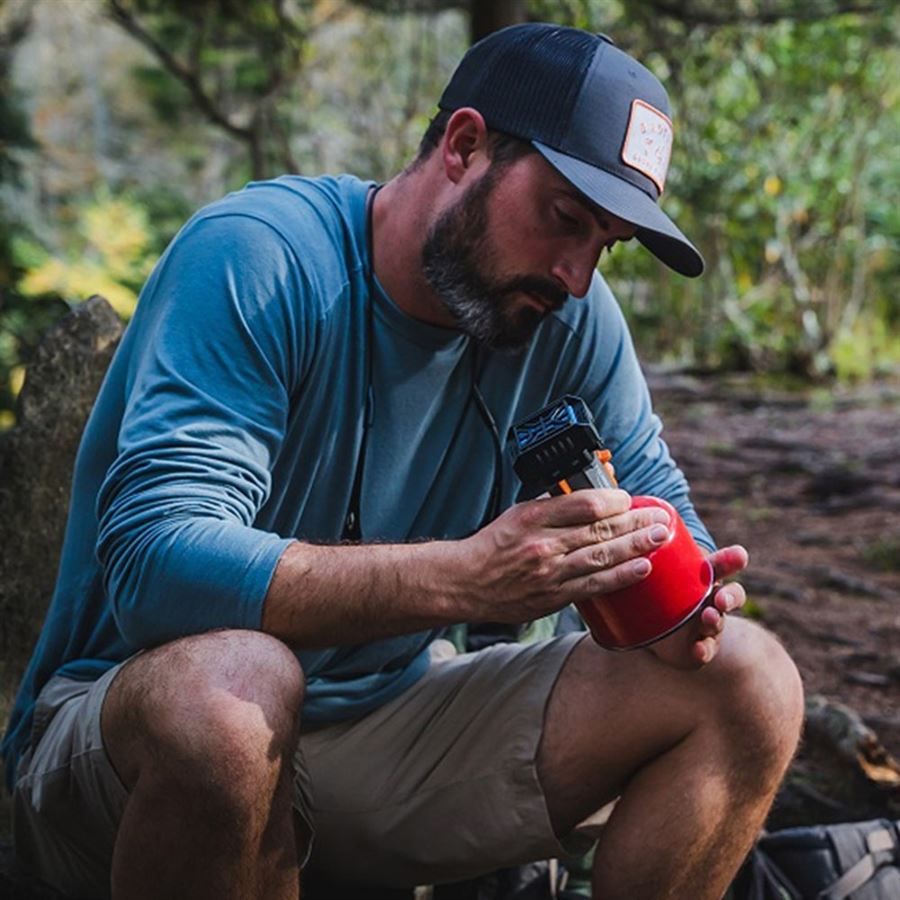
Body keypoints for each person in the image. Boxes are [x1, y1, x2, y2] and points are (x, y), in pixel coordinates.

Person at [2, 23, 804, 900]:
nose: (576, 276)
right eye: (566, 219)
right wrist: (465, 578)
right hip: (139, 745)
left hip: (380, 733)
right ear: (464, 146)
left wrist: (690, 598)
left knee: (751, 681)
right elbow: (154, 566)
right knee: (234, 690)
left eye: (604, 244)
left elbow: (658, 497)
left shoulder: (565, 316)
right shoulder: (263, 255)